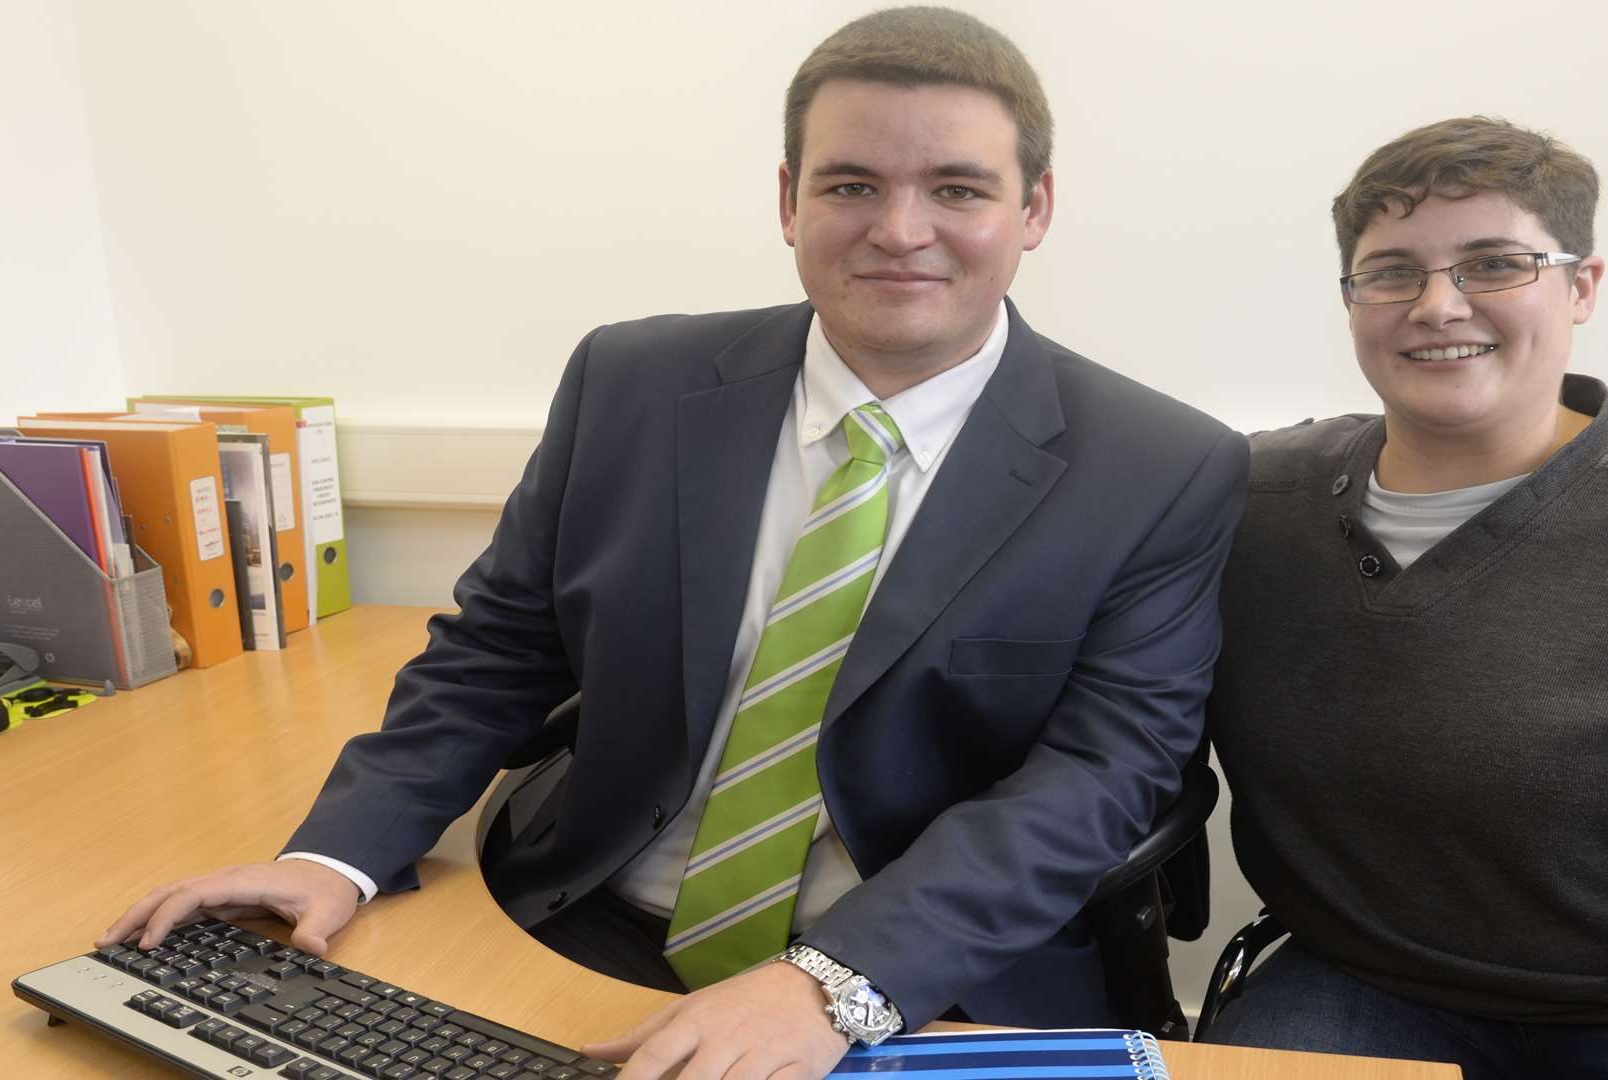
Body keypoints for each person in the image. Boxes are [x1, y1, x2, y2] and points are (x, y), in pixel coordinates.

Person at [101, 9, 1248, 1078]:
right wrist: (335, 855)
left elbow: (1099, 778)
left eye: (958, 188)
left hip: (922, 978)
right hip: (583, 924)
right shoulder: (633, 383)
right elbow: (497, 649)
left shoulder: (1157, 465)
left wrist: (830, 986)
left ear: (1035, 209)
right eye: (852, 183)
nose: (902, 230)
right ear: (790, 200)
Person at [1202, 116, 1608, 1079]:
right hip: (1362, 983)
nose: (1437, 305)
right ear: (1351, 299)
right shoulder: (1241, 506)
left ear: (1582, 285)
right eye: (1392, 271)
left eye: (1494, 263)